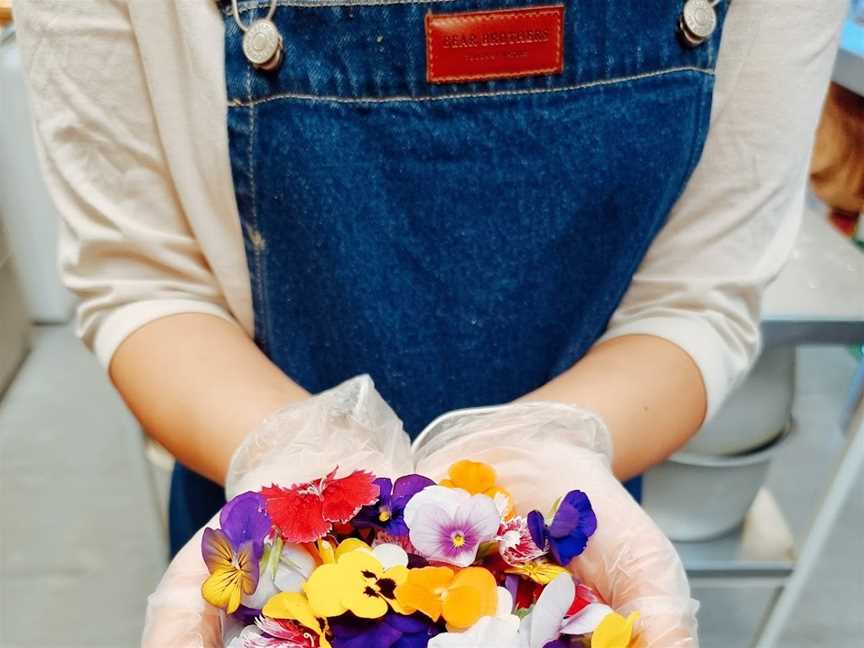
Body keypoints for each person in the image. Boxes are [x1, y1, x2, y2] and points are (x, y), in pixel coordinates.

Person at [14, 0, 846, 644]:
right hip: (277, 523)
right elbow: (141, 276)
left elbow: (700, 293)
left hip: (561, 522)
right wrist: (292, 459)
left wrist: (552, 447)